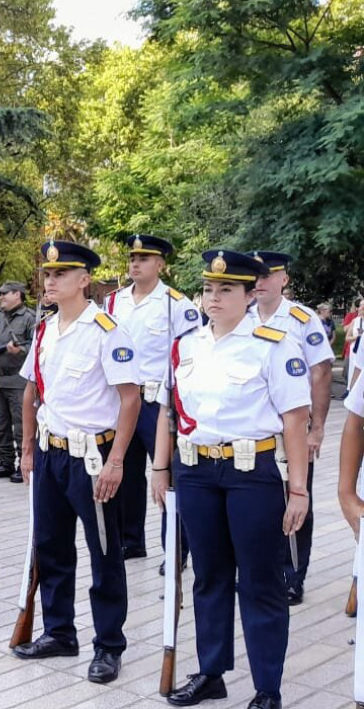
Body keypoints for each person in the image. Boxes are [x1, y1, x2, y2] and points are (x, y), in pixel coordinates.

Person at [154, 250, 310, 709]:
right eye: (208, 289)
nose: (214, 297)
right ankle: (211, 671)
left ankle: (267, 688)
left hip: (251, 473)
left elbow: (295, 421)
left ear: (249, 294)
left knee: (260, 580)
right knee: (209, 575)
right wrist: (160, 467)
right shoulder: (186, 345)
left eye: (226, 289)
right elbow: (169, 411)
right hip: (196, 471)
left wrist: (298, 488)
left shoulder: (273, 344)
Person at [15, 240, 141, 685]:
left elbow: (131, 399)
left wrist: (118, 461)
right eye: (47, 274)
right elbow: (32, 390)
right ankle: (59, 631)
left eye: (61, 274)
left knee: (104, 551)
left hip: (93, 457)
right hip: (51, 453)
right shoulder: (45, 329)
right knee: (51, 545)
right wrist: (28, 448)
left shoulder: (107, 330)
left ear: (84, 280)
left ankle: (108, 646)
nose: (50, 281)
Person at [103, 234, 201, 560]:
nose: (135, 264)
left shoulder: (177, 303)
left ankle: (175, 548)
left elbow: (189, 357)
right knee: (125, 472)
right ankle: (130, 541)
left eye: (143, 259)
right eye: (132, 258)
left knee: (167, 475)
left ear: (160, 264)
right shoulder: (114, 302)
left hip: (159, 403)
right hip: (123, 401)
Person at [248, 250, 333, 605]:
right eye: (255, 276)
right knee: (259, 501)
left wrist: (317, 428)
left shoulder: (301, 318)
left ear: (284, 279)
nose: (260, 282)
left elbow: (322, 371)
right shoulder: (243, 317)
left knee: (296, 499)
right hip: (255, 430)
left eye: (268, 275)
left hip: (294, 427)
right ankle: (262, 569)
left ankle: (293, 574)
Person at [0, 281, 35, 483]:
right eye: (0, 294)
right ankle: (5, 461)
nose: (2, 297)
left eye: (5, 294)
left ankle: (22, 462)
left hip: (19, 380)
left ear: (18, 294)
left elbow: (36, 345)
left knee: (21, 424)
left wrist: (20, 350)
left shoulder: (29, 318)